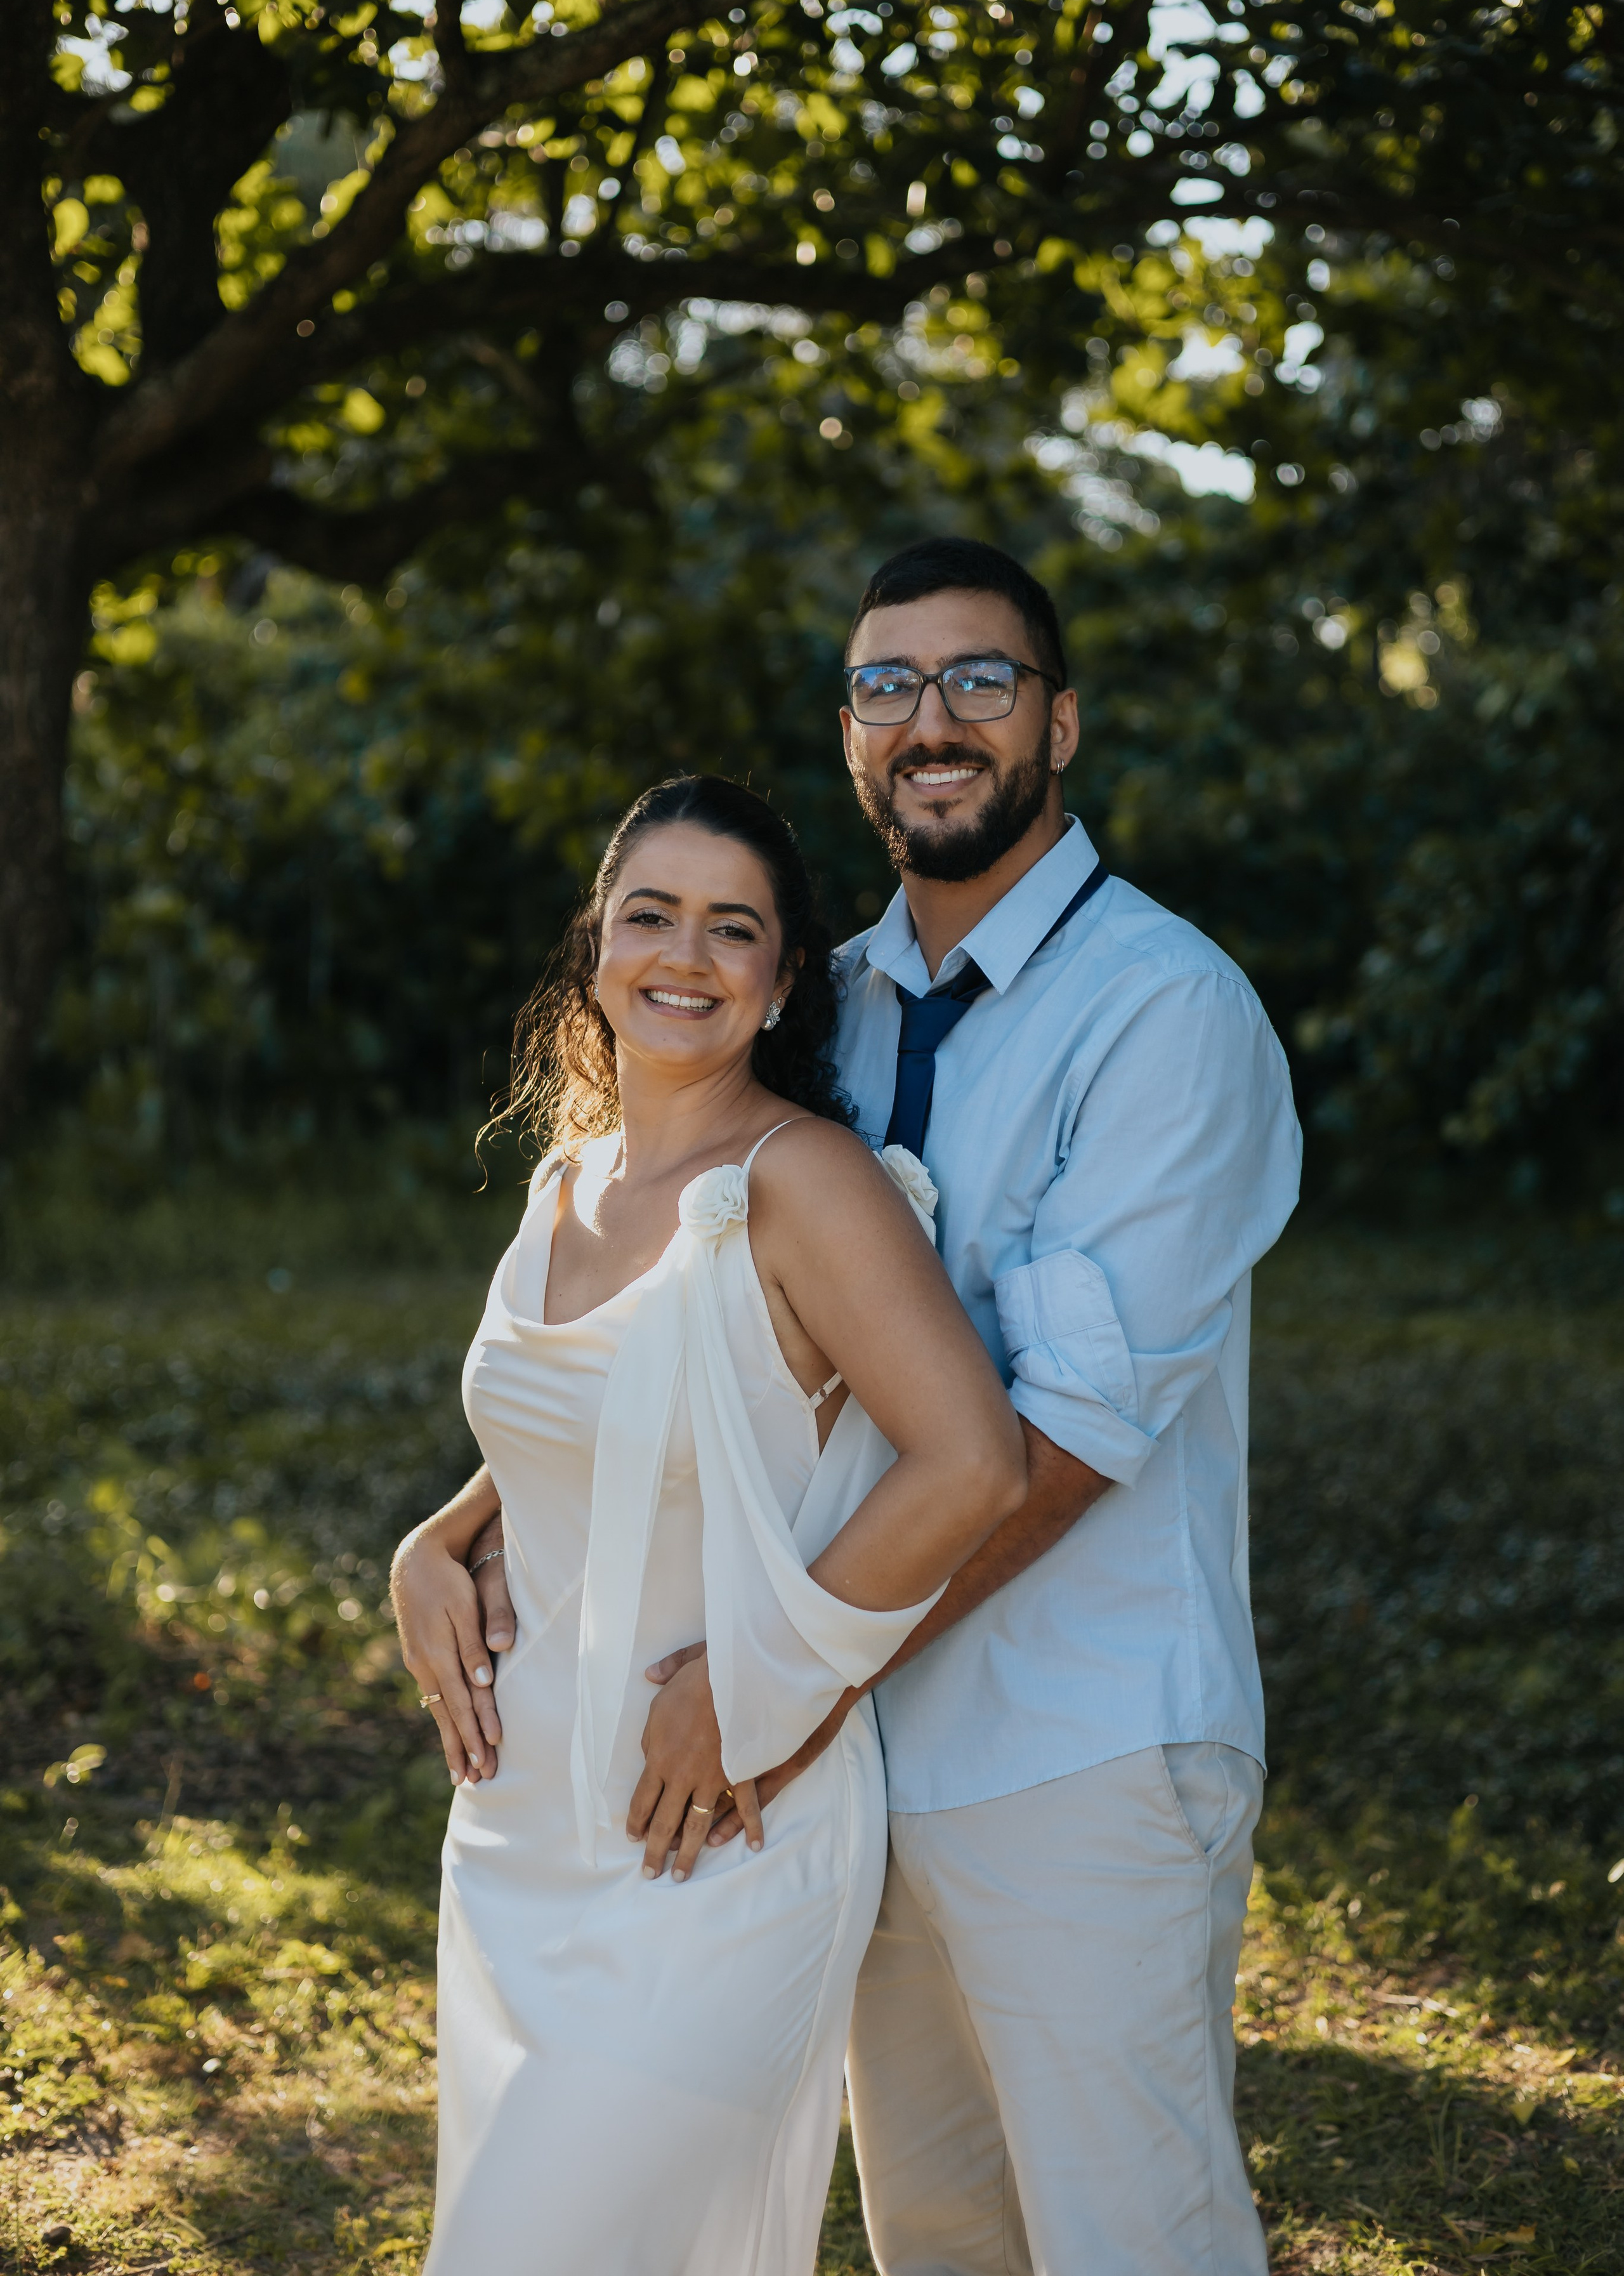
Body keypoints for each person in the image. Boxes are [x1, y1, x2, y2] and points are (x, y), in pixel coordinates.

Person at [412, 536, 1303, 2274]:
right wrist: (461, 1520)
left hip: (1079, 1742)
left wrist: (776, 1675)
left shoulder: (1167, 1013)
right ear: (850, 735)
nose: (935, 718)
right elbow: (716, 1338)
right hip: (854, 1767)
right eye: (891, 684)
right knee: (940, 2240)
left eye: (983, 678)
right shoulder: (832, 996)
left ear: (1062, 724)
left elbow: (1054, 1446)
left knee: (1133, 2233)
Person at [390, 773, 1026, 2276]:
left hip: (718, 1846)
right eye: (649, 914)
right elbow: (585, 1436)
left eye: (730, 928)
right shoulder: (566, 1180)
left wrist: (754, 1686)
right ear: (596, 942)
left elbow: (971, 1464)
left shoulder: (803, 1182)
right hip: (520, 1838)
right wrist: (434, 1538)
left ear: (783, 976)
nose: (683, 954)